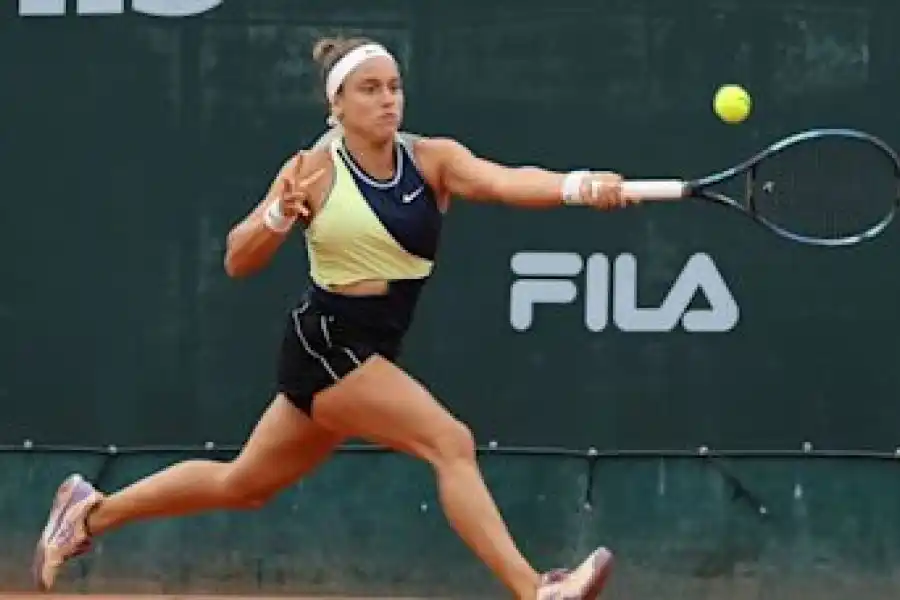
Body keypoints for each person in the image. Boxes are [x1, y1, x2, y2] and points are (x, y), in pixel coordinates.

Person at [33, 36, 640, 599]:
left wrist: (579, 186)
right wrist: (277, 217)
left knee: (243, 485)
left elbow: (508, 182)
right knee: (449, 442)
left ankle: (89, 512)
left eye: (394, 86)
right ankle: (537, 589)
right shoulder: (312, 170)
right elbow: (237, 259)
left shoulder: (432, 160)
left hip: (367, 349)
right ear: (337, 105)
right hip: (328, 343)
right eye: (369, 89)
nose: (387, 100)